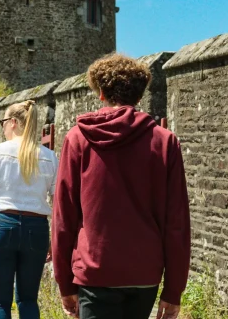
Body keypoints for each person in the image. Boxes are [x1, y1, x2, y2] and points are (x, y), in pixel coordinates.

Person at [52, 54, 191, 319]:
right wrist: (174, 290)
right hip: (144, 271)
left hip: (95, 269)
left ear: (101, 93)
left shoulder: (78, 139)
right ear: (139, 97)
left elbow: (63, 217)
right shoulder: (164, 141)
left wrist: (64, 281)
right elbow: (176, 222)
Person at [0, 100, 59, 319]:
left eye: (3, 122)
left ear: (14, 123)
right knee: (28, 299)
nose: (3, 128)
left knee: (0, 301)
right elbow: (58, 205)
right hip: (36, 229)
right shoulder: (49, 157)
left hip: (3, 226)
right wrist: (53, 239)